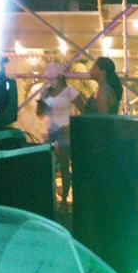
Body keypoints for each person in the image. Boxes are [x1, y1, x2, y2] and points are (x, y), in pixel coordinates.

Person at [36, 62, 84, 212]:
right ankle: (47, 198)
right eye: (49, 78)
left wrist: (71, 127)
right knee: (45, 166)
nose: (50, 81)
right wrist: (42, 100)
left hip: (64, 131)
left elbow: (84, 112)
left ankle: (63, 200)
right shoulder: (46, 92)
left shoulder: (70, 92)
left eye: (52, 78)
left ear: (60, 77)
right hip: (47, 131)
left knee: (64, 166)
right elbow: (39, 113)